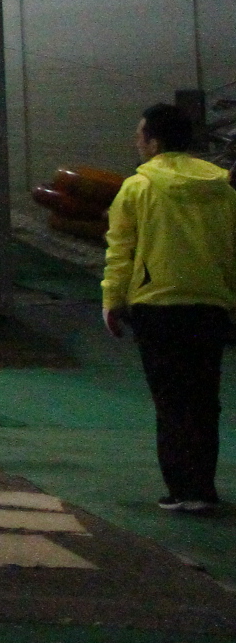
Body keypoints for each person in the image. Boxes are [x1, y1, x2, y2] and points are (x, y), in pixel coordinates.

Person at [104, 100, 236, 513]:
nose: (135, 141)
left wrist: (112, 300)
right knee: (204, 397)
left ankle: (181, 489)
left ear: (154, 142)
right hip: (211, 305)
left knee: (170, 398)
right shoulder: (223, 187)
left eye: (139, 135)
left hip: (157, 306)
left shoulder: (137, 188)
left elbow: (120, 252)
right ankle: (203, 488)